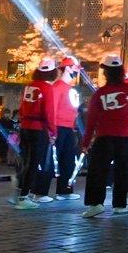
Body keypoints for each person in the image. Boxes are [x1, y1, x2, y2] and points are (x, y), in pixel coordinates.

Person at [80, 55, 128, 217]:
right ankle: (120, 205)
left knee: (97, 171)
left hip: (104, 136)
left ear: (106, 73)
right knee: (123, 170)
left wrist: (86, 142)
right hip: (124, 136)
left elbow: (91, 121)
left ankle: (96, 204)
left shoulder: (99, 93)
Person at [13, 57, 59, 209]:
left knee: (26, 161)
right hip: (39, 129)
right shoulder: (47, 88)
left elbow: (21, 108)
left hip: (25, 127)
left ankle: (20, 191)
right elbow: (49, 112)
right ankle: (24, 196)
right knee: (34, 163)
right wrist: (53, 131)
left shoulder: (28, 87)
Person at [51, 58, 81, 199]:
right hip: (59, 126)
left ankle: (64, 190)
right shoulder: (58, 87)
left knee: (68, 159)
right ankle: (39, 191)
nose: (77, 71)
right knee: (55, 160)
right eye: (75, 68)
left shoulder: (69, 88)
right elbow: (53, 109)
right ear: (68, 68)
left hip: (68, 127)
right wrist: (52, 129)